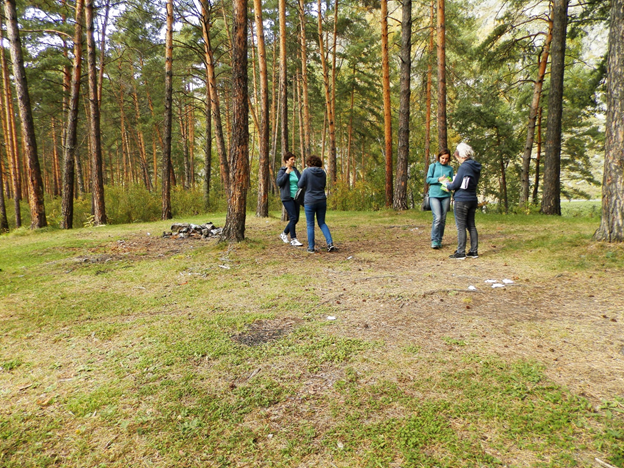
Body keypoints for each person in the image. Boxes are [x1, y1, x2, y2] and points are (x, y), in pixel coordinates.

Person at [444, 142, 481, 259]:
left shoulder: (464, 166)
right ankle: (473, 251)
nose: (457, 159)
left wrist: (448, 185)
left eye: (457, 157)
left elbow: (456, 184)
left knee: (461, 226)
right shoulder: (475, 166)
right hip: (472, 198)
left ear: (460, 155)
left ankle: (461, 251)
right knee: (471, 225)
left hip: (462, 199)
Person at [297, 155, 337, 253]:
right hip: (321, 200)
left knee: (310, 224)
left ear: (309, 163)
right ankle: (330, 243)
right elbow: (323, 185)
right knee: (322, 223)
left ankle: (311, 247)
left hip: (310, 201)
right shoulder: (323, 173)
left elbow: (300, 185)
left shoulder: (306, 172)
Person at [426, 149, 454, 249]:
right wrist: (438, 179)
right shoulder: (432, 166)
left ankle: (439, 239)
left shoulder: (450, 169)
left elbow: (451, 182)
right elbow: (428, 179)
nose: (444, 160)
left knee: (443, 218)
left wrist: (450, 186)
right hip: (434, 195)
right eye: (442, 158)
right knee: (437, 218)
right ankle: (434, 240)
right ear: (439, 157)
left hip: (445, 195)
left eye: (446, 158)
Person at [276, 152, 303, 247]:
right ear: (286, 160)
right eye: (292, 159)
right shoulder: (282, 170)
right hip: (287, 197)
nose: (293, 161)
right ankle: (293, 239)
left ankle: (283, 234)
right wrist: (286, 173)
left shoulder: (295, 170)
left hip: (296, 197)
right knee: (293, 217)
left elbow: (301, 182)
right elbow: (279, 182)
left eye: (294, 159)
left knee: (296, 219)